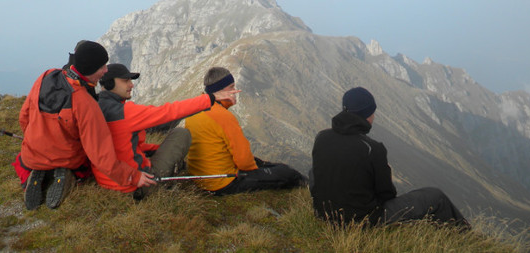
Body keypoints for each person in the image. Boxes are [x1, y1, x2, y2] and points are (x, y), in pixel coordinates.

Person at [13, 40, 156, 210]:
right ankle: (66, 176)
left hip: (31, 152)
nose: (105, 71)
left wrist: (32, 140)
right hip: (65, 158)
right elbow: (100, 155)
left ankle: (36, 173)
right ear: (89, 70)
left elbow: (24, 116)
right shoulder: (85, 103)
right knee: (83, 164)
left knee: (30, 158)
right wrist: (132, 176)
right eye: (102, 67)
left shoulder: (46, 76)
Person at [310, 86, 470, 228]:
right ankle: (469, 238)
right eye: (372, 113)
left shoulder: (321, 137)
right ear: (368, 115)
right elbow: (387, 194)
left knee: (315, 170)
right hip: (363, 221)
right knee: (436, 197)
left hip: (324, 215)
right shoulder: (372, 149)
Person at [94, 63, 239, 199]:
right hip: (135, 186)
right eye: (126, 81)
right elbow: (169, 112)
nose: (131, 85)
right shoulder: (125, 112)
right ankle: (166, 182)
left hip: (107, 182)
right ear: (109, 83)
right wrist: (210, 98)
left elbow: (122, 145)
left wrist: (157, 149)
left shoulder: (96, 107)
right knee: (181, 134)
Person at [185, 66, 307, 194]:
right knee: (288, 173)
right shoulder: (222, 116)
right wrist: (258, 173)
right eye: (231, 87)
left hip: (201, 178)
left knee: (265, 164)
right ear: (220, 91)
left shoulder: (195, 108)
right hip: (222, 184)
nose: (235, 90)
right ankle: (310, 192)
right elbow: (244, 161)